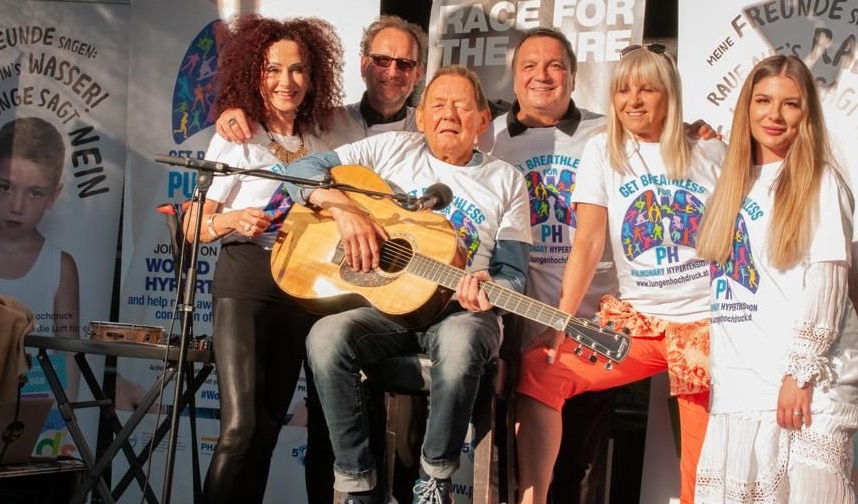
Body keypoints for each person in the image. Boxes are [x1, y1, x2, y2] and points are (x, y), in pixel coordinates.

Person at [282, 65, 532, 504]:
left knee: (459, 346)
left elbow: (514, 275)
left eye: (461, 105)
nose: (447, 114)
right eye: (437, 104)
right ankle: (359, 484)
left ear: (481, 121)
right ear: (420, 118)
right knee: (325, 338)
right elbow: (299, 169)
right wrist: (345, 210)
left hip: (463, 311)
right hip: (387, 307)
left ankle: (434, 479)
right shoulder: (389, 149)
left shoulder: (506, 180)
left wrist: (488, 286)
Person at [515, 44, 727, 504]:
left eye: (646, 89)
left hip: (704, 329)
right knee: (541, 368)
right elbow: (587, 243)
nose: (633, 100)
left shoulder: (710, 152)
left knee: (701, 467)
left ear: (669, 95)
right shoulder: (604, 151)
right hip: (639, 327)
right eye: (622, 90)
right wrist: (561, 323)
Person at [181, 14, 344, 504]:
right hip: (246, 281)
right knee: (240, 426)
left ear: (312, 77)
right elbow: (193, 225)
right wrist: (232, 220)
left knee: (269, 428)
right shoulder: (236, 137)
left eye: (297, 71)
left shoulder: (323, 140)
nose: (285, 82)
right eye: (273, 70)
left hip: (302, 287)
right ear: (255, 73)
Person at [693, 54, 858, 503]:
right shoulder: (730, 183)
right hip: (738, 385)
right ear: (746, 107)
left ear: (806, 114)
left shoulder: (821, 182)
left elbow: (828, 285)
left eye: (790, 104)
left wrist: (799, 374)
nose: (774, 115)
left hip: (806, 383)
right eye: (763, 100)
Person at [476, 27, 618, 504]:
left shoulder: (608, 131)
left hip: (588, 317)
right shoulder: (488, 138)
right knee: (506, 453)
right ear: (514, 79)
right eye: (529, 66)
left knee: (579, 457)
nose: (542, 75)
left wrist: (698, 133)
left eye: (554, 65)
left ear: (573, 78)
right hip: (512, 318)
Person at [0, 116, 81, 399]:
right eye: (5, 187)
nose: (17, 206)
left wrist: (66, 421)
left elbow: (68, 350)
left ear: (53, 196)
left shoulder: (60, 265)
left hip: (37, 410)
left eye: (34, 193)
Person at [216, 14, 426, 147]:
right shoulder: (325, 121)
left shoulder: (427, 129)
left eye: (405, 64)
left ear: (418, 74)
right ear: (364, 65)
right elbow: (278, 115)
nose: (393, 72)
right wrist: (233, 111)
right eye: (382, 60)